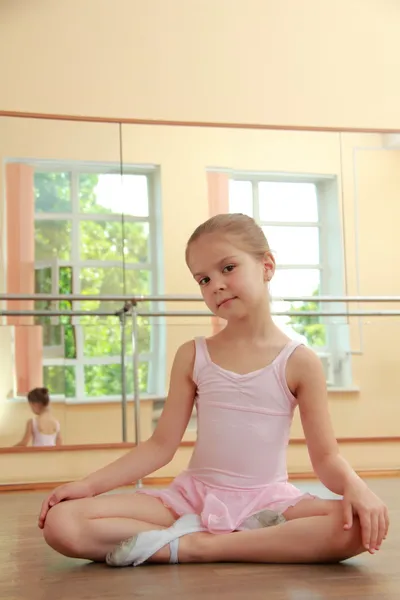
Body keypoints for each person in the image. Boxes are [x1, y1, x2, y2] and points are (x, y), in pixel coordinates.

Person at [38, 213, 389, 566]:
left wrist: (355, 486)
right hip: (190, 500)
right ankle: (230, 539)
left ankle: (195, 546)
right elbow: (160, 446)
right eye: (203, 279)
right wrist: (88, 486)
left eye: (228, 268)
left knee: (360, 523)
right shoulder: (193, 355)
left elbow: (326, 458)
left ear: (266, 265)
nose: (216, 285)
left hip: (269, 503)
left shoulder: (300, 362)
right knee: (62, 523)